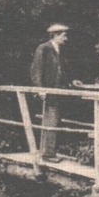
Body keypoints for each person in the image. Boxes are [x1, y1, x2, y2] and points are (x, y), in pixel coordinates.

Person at [29, 23, 71, 160]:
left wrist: (71, 81)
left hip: (58, 91)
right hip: (48, 92)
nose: (66, 39)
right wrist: (40, 89)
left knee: (55, 120)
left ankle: (50, 151)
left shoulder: (60, 50)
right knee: (50, 120)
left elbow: (62, 71)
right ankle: (47, 154)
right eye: (64, 36)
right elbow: (36, 70)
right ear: (55, 35)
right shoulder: (44, 48)